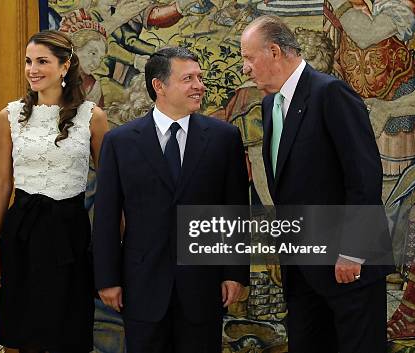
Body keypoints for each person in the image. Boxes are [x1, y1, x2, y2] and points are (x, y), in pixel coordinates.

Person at [240, 15, 394, 352]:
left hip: (348, 268)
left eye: (249, 59)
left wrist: (353, 251)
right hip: (302, 268)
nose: (245, 69)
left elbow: (363, 176)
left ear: (275, 51)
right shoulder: (270, 105)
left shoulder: (330, 93)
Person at [93, 46, 249, 353]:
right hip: (142, 285)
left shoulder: (224, 138)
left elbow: (235, 211)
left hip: (204, 285)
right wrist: (107, 278)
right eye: (188, 78)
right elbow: (107, 217)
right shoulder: (120, 142)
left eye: (200, 77)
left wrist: (234, 271)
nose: (199, 85)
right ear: (159, 86)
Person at [0, 30, 108, 353]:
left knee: (68, 333)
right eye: (28, 62)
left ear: (65, 66)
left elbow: (110, 186)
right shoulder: (9, 116)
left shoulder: (92, 117)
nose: (32, 69)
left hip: (69, 233)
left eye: (42, 61)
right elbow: (2, 182)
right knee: (22, 335)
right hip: (21, 232)